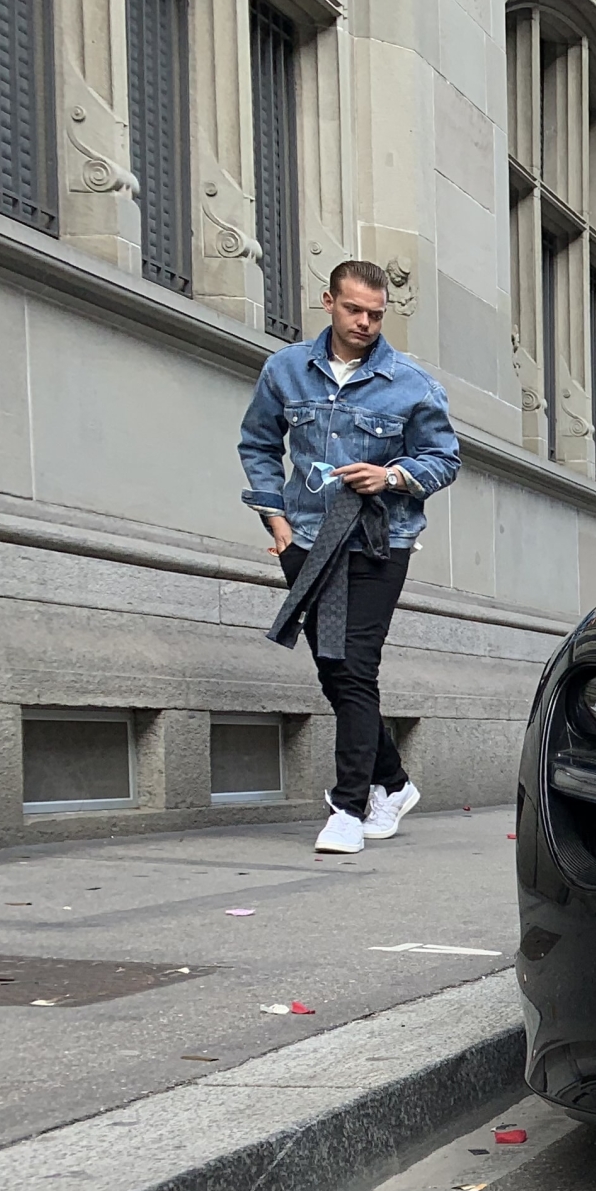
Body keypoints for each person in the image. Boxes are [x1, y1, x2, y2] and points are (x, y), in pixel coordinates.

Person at [237, 260, 461, 855]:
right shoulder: (285, 369)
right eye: (354, 309)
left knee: (354, 666)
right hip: (306, 539)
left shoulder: (412, 383)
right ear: (328, 302)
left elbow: (444, 460)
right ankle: (395, 782)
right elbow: (258, 444)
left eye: (376, 314)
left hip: (378, 543)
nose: (364, 322)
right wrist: (278, 524)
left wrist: (391, 475)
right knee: (335, 670)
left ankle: (348, 806)